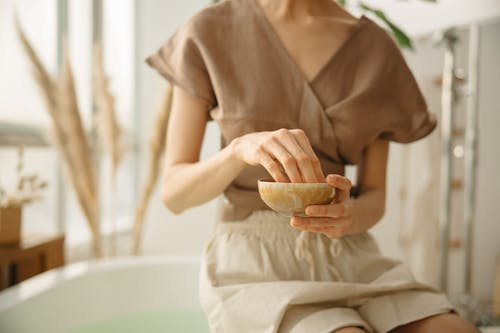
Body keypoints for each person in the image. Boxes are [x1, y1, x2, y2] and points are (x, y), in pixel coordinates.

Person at [146, 0, 479, 332]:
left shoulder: (375, 48)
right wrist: (236, 151)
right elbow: (174, 194)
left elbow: (375, 196)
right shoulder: (209, 30)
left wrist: (349, 215)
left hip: (350, 257)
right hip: (254, 266)